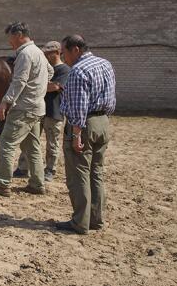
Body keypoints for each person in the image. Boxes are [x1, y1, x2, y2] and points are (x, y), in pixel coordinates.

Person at [55, 35, 116, 234]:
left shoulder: (78, 71)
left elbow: (79, 106)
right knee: (96, 172)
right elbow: (111, 96)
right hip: (103, 122)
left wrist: (76, 134)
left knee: (78, 173)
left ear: (75, 50)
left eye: (64, 52)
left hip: (84, 124)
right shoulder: (105, 63)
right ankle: (96, 219)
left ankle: (80, 221)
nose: (63, 58)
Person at [0, 22, 53, 196]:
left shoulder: (24, 54)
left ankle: (2, 184)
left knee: (6, 143)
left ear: (19, 35)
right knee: (33, 147)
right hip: (37, 108)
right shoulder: (39, 52)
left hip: (23, 108)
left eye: (10, 38)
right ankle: (37, 184)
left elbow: (19, 81)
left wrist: (5, 102)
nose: (10, 42)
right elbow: (50, 72)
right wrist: (39, 85)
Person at [14, 41, 71, 182]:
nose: (45, 56)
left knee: (52, 142)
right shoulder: (45, 68)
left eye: (48, 53)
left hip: (54, 111)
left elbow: (55, 87)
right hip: (38, 109)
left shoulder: (64, 70)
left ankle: (50, 169)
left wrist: (36, 85)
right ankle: (23, 167)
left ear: (57, 53)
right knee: (29, 139)